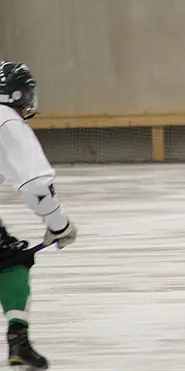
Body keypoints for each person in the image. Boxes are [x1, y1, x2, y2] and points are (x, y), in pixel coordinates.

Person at [0, 61, 79, 370]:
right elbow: (34, 185)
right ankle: (18, 340)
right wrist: (59, 225)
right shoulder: (7, 122)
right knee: (11, 263)